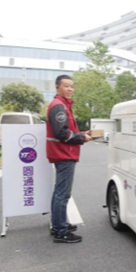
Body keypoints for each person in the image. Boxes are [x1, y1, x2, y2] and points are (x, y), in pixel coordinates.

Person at [46, 75, 92, 244]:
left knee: (60, 192)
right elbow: (62, 133)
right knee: (62, 194)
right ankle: (60, 231)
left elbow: (67, 130)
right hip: (64, 154)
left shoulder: (62, 105)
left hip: (63, 153)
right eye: (66, 86)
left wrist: (82, 134)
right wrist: (82, 139)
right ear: (57, 87)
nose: (70, 89)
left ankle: (58, 224)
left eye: (72, 86)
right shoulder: (59, 106)